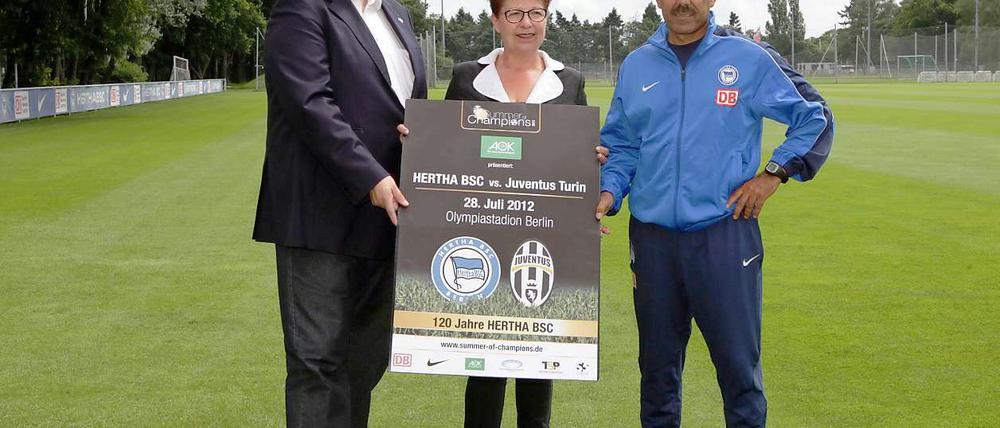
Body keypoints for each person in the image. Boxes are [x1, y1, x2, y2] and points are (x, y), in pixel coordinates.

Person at [596, 1, 835, 427]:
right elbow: (622, 143)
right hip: (651, 242)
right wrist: (609, 192)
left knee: (739, 373)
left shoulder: (748, 57)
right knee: (656, 374)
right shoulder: (637, 64)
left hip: (724, 236)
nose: (683, 3)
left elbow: (813, 117)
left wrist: (774, 174)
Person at [399, 0, 602, 426]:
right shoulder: (466, 77)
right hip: (480, 239)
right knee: (484, 371)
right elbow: (445, 152)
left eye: (535, 13)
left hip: (543, 244)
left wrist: (591, 168)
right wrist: (416, 143)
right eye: (513, 13)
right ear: (496, 20)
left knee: (539, 369)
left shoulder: (572, 82)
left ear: (547, 19)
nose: (525, 23)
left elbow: (573, 164)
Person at [253, 0, 426, 426]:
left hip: (387, 219)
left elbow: (409, 108)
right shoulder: (304, 7)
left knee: (362, 365)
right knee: (317, 365)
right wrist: (370, 176)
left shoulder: (397, 15)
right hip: (320, 216)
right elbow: (309, 102)